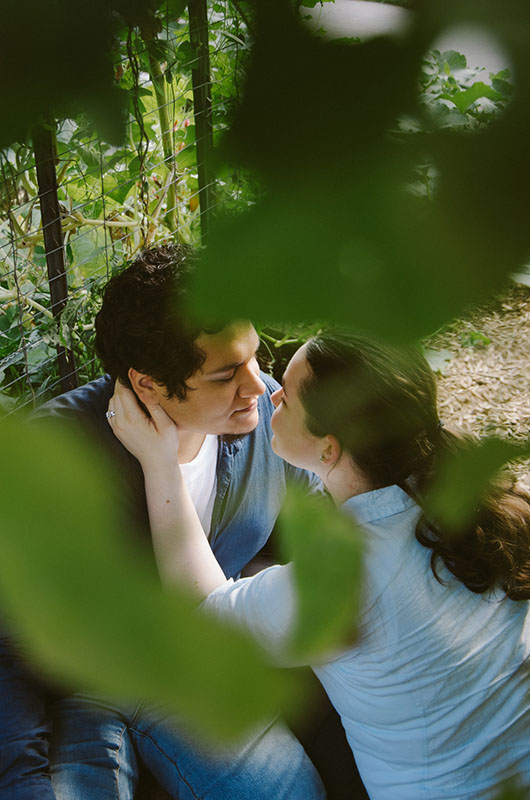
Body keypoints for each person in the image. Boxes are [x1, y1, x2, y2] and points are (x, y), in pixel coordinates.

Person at [108, 331, 530, 800]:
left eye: (289, 396)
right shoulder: (484, 504)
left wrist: (160, 464)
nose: (271, 393)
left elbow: (203, 614)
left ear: (329, 449)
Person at [15, 244, 326, 800]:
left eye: (255, 357)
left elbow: (320, 540)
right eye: (227, 373)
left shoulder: (266, 424)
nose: (258, 386)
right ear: (149, 384)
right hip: (81, 690)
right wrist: (21, 779)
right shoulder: (56, 456)